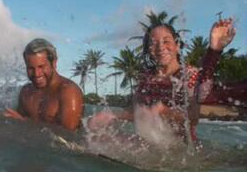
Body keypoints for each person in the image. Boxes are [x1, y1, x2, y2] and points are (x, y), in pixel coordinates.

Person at [89, 18, 236, 142]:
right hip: (152, 145)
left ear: (177, 46)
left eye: (166, 41)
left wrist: (163, 110)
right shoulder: (146, 80)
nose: (160, 47)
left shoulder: (190, 75)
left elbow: (192, 117)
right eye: (153, 43)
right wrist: (112, 116)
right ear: (148, 51)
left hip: (183, 150)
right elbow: (135, 112)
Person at [4, 38, 84, 131]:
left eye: (41, 67)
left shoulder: (69, 92)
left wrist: (23, 122)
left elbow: (67, 136)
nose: (36, 74)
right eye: (30, 68)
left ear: (54, 63)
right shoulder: (26, 92)